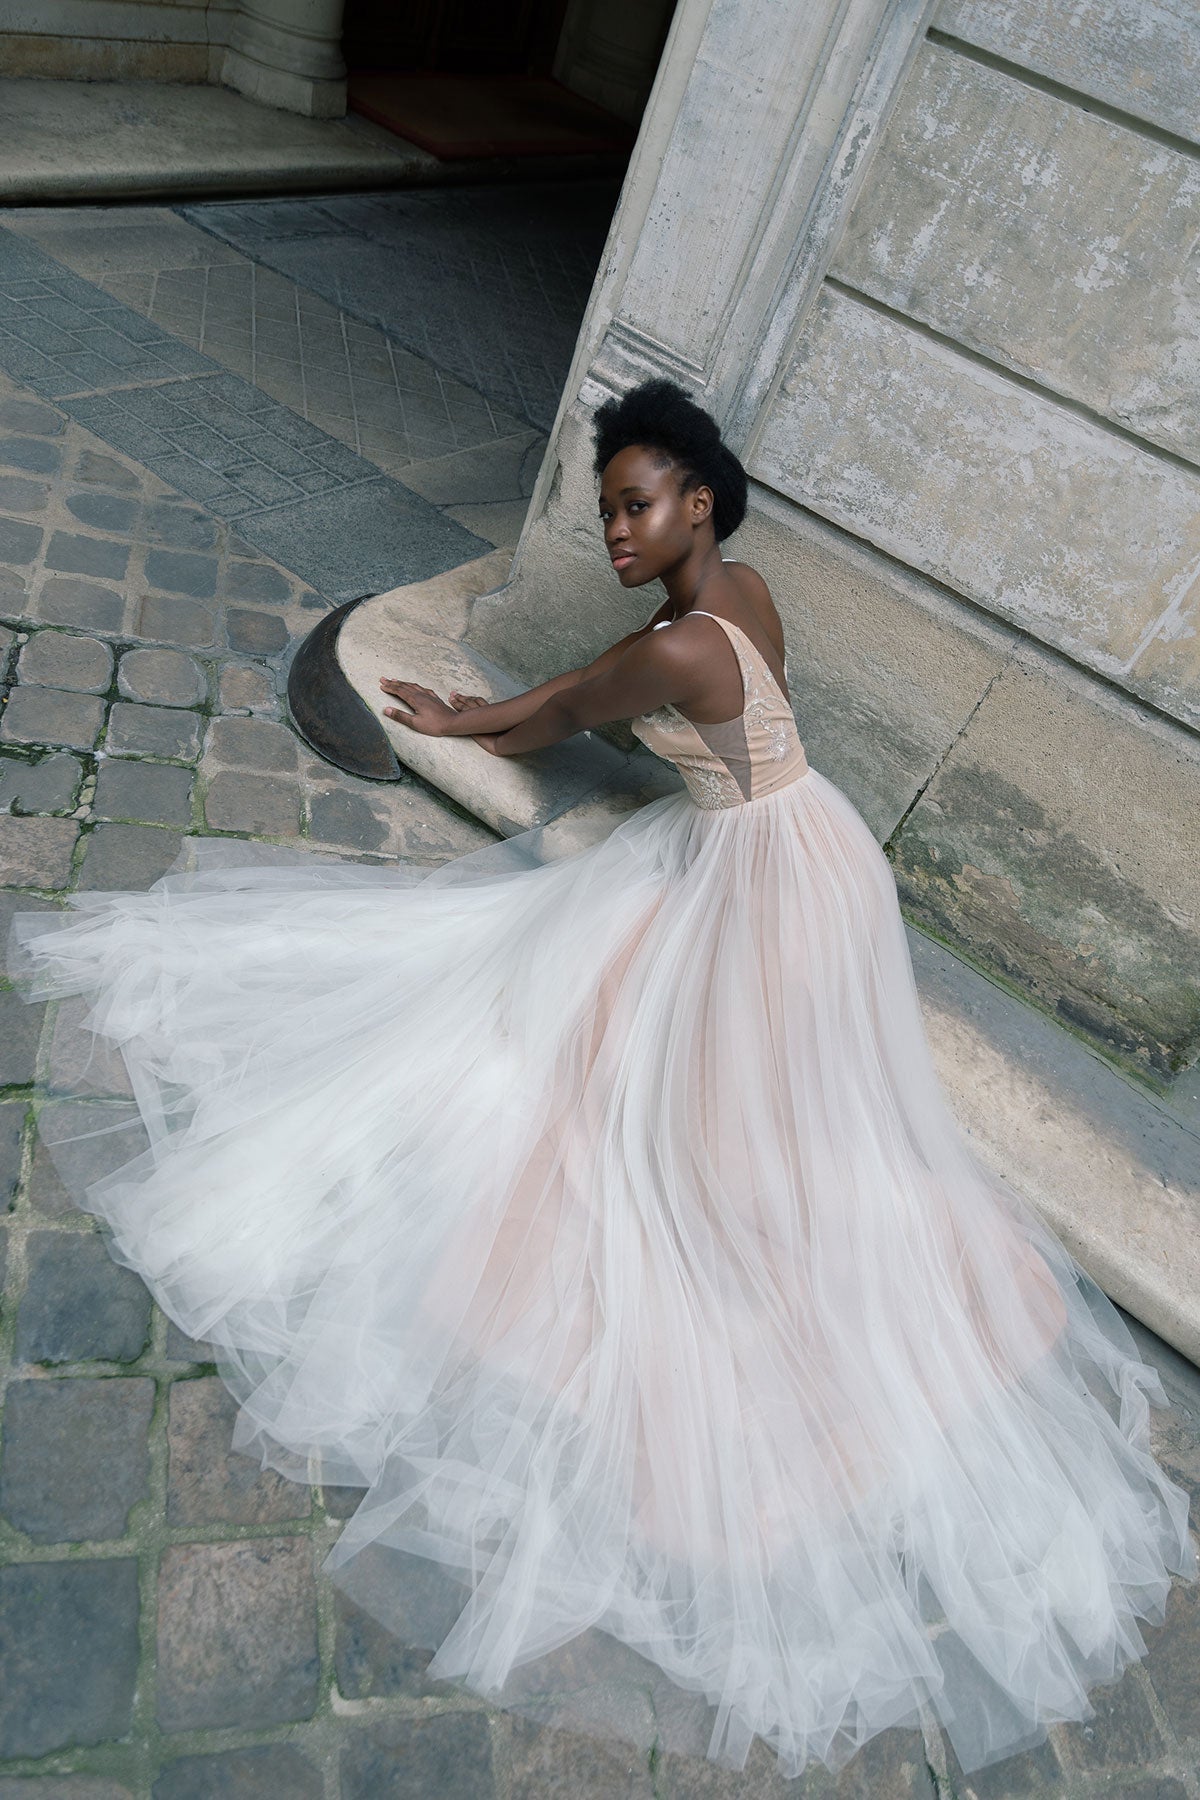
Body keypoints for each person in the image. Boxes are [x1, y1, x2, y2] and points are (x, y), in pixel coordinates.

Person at [7, 378, 1194, 1782]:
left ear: (700, 497)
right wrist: (517, 707)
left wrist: (467, 713)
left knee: (699, 1153)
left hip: (767, 885)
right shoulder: (739, 592)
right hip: (803, 850)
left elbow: (570, 703)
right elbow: (641, 700)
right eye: (608, 508)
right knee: (663, 1052)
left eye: (637, 505)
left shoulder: (689, 646)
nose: (618, 530)